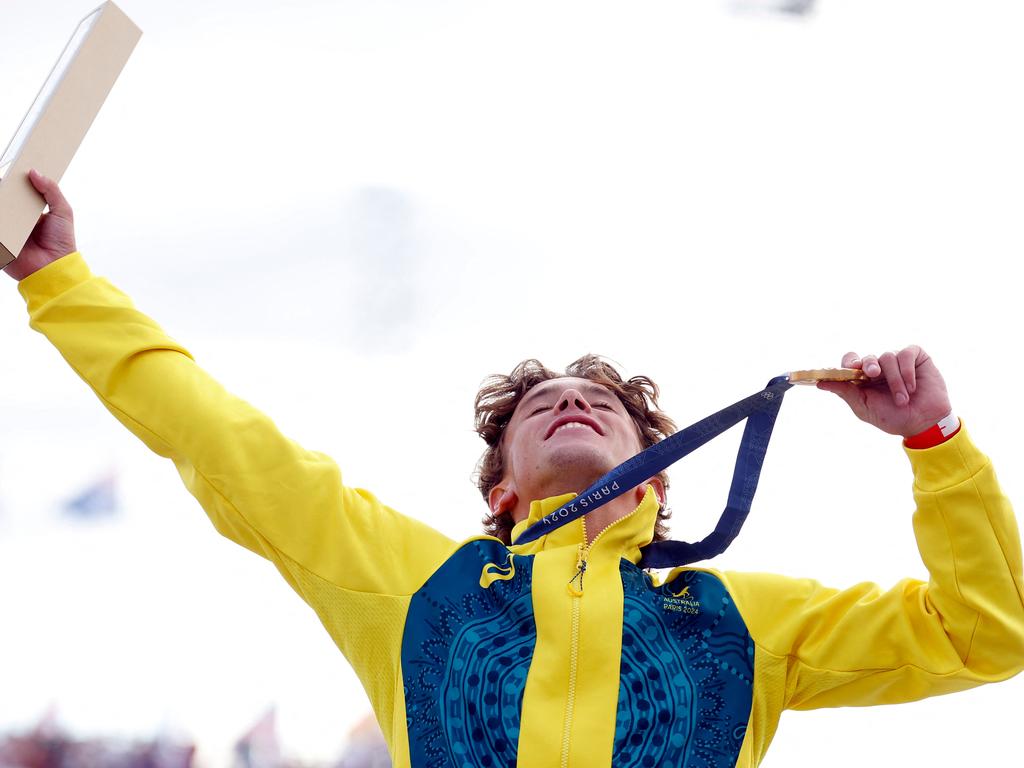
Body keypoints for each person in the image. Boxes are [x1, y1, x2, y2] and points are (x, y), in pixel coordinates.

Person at [7, 170, 1024, 768]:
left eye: (604, 407)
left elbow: (988, 636)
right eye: (541, 409)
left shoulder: (742, 620)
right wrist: (60, 282)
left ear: (655, 478)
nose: (572, 403)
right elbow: (217, 435)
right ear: (501, 491)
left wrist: (936, 447)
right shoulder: (411, 583)